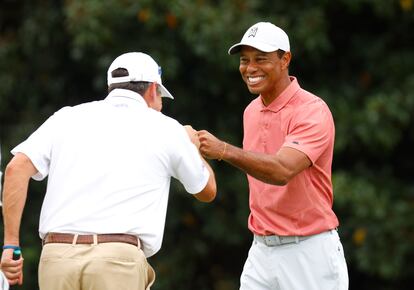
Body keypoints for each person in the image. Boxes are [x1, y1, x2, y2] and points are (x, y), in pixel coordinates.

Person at [1, 52, 217, 290]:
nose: (160, 104)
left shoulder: (66, 117)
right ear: (153, 89)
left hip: (57, 258)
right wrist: (193, 147)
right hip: (117, 261)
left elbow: (16, 168)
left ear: (111, 86)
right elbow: (206, 191)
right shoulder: (167, 128)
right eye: (160, 97)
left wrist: (11, 243)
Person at [198, 22, 348, 290]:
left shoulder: (312, 110)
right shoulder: (251, 111)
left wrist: (223, 150)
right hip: (261, 249)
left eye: (261, 59)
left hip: (309, 250)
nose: (250, 68)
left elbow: (281, 171)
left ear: (285, 59)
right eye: (245, 60)